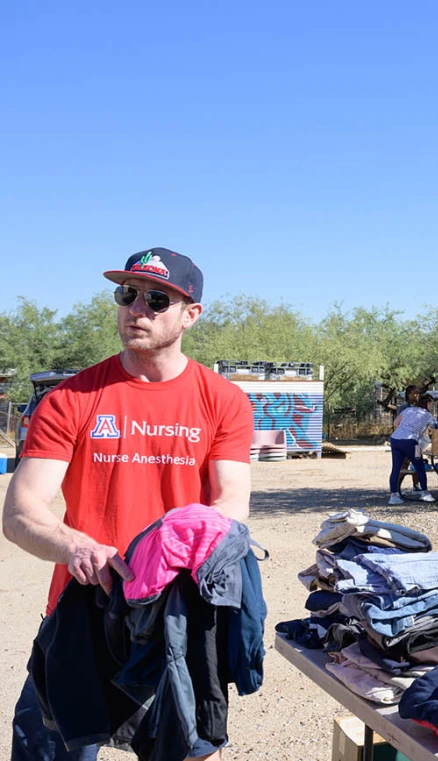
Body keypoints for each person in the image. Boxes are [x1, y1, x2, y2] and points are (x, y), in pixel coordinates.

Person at [2, 247, 255, 761]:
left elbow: (231, 505)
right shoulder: (71, 398)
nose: (137, 308)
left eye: (157, 298)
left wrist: (166, 551)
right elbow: (21, 511)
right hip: (81, 615)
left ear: (191, 314)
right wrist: (77, 545)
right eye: (128, 294)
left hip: (175, 622)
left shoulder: (223, 400)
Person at [388, 392, 435, 505]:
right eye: (432, 404)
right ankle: (425, 493)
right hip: (411, 442)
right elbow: (436, 428)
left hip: (395, 440)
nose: (432, 407)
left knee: (396, 468)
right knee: (419, 466)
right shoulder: (428, 415)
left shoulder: (408, 410)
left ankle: (393, 496)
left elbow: (395, 423)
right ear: (428, 403)